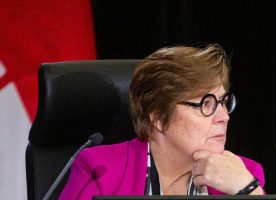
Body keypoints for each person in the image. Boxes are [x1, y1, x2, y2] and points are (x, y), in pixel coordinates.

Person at [59, 44, 265, 199]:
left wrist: (248, 189)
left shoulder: (244, 173)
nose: (224, 117)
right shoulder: (100, 169)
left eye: (223, 102)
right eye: (206, 104)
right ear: (157, 116)